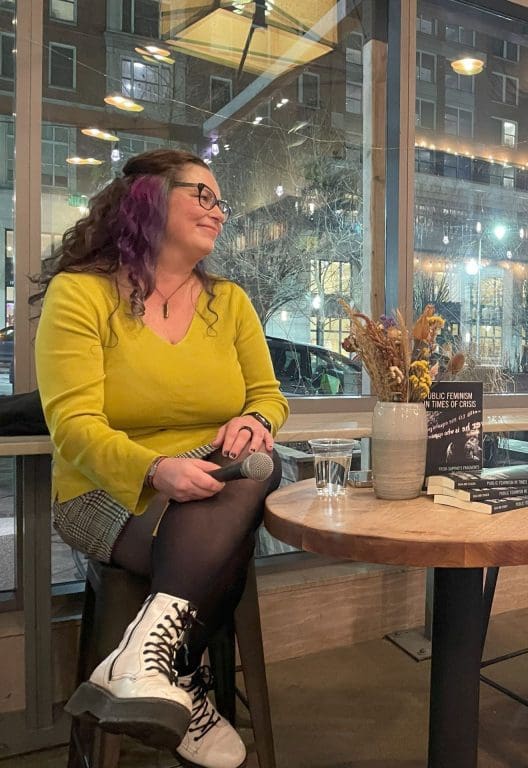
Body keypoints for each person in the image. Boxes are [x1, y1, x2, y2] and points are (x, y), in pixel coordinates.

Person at [33, 149, 288, 768]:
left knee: (258, 462)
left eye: (220, 201)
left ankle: (146, 657)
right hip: (105, 491)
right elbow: (71, 425)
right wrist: (153, 469)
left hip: (212, 476)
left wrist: (255, 421)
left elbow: (269, 397)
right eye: (203, 194)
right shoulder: (80, 294)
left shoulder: (229, 303)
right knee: (227, 531)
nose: (219, 212)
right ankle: (182, 680)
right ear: (147, 198)